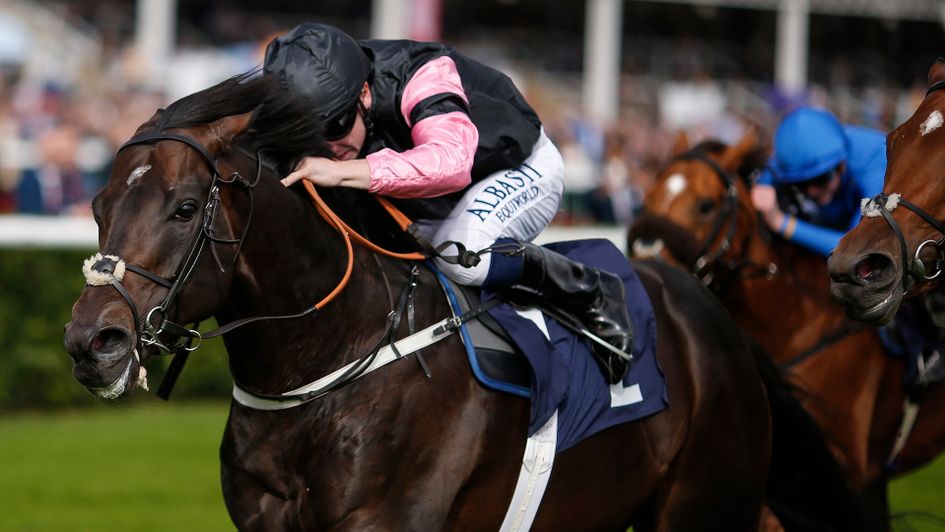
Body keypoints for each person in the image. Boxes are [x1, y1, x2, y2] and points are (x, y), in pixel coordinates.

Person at [263, 23, 631, 383]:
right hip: (436, 199)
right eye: (310, 136)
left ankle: (590, 289)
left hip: (519, 167)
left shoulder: (421, 73)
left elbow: (450, 163)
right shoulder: (331, 107)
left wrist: (342, 172)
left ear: (363, 93)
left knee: (462, 254)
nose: (326, 149)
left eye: (334, 128)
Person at [750, 106, 886, 257]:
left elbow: (861, 247)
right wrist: (763, 184)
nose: (811, 191)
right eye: (800, 184)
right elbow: (771, 170)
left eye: (819, 179)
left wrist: (782, 223)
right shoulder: (794, 161)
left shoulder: (877, 161)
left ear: (841, 165)